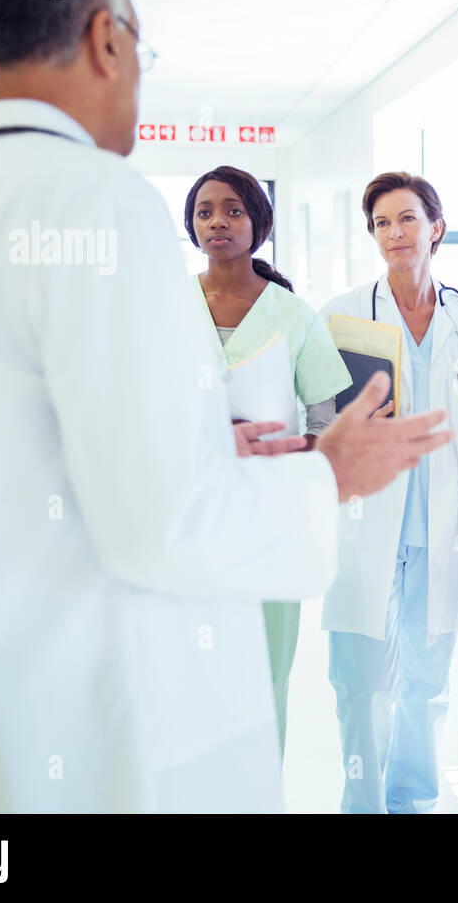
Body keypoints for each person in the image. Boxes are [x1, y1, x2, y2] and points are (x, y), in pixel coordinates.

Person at [0, 0, 448, 812]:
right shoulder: (98, 204)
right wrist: (328, 473)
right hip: (88, 734)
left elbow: (25, 451)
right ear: (108, 36)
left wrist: (204, 441)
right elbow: (163, 524)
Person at [319, 172, 458, 813]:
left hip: (446, 526)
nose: (394, 233)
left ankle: (413, 803)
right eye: (380, 223)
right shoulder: (343, 316)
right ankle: (365, 805)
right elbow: (318, 421)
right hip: (365, 522)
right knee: (362, 684)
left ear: (436, 227)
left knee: (427, 686)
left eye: (406, 219)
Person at [186, 164, 353, 762]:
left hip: (269, 519)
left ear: (258, 221)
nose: (218, 222)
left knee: (263, 672)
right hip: (188, 514)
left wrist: (280, 453)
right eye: (205, 211)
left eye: (233, 209)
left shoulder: (293, 313)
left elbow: (326, 424)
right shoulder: (167, 308)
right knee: (191, 675)